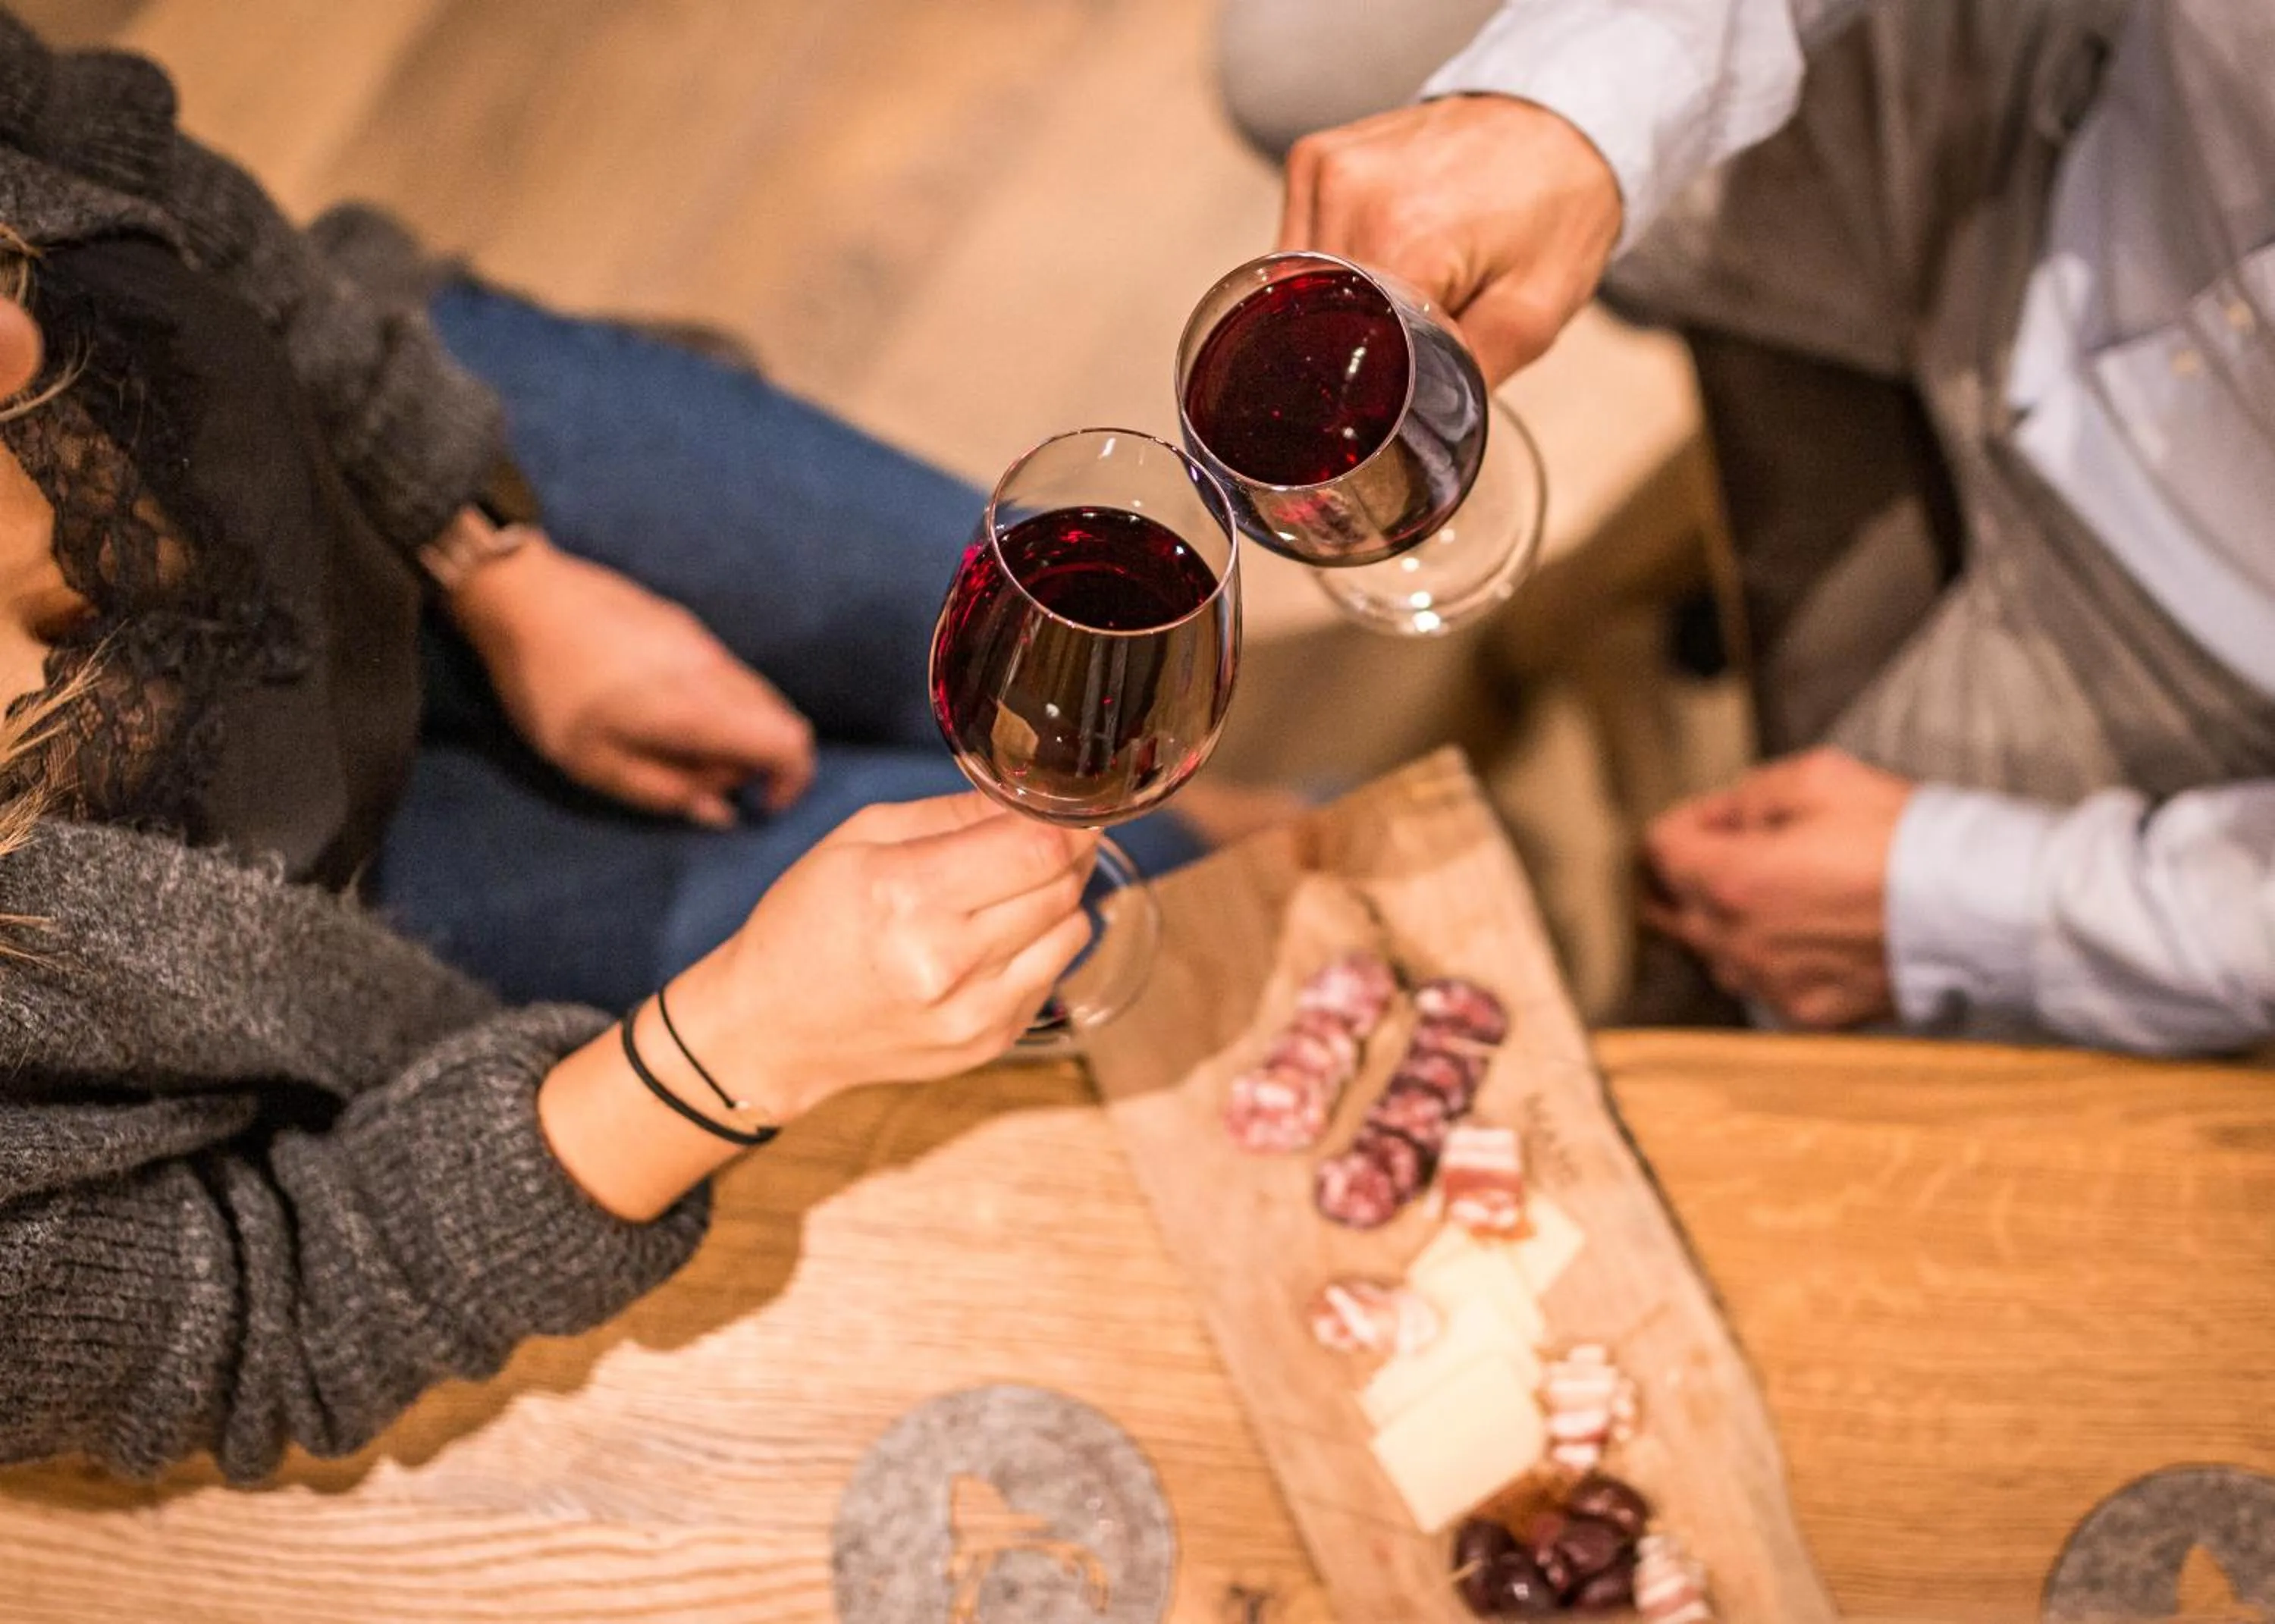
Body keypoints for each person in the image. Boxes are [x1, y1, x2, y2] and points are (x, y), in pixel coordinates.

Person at [0, 8, 1234, 1481]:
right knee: (1136, 870)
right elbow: (270, 1313)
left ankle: (1279, 820)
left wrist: (491, 554)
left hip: (347, 443)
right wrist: (741, 1046)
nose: (22, 333)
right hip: (341, 926)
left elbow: (150, 175)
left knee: (1036, 611)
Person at [1218, 0, 2275, 1055]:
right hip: (2069, 120)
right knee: (1310, 63)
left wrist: (1986, 900)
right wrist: (1575, 106)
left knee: (1748, 998)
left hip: (2192, 630)